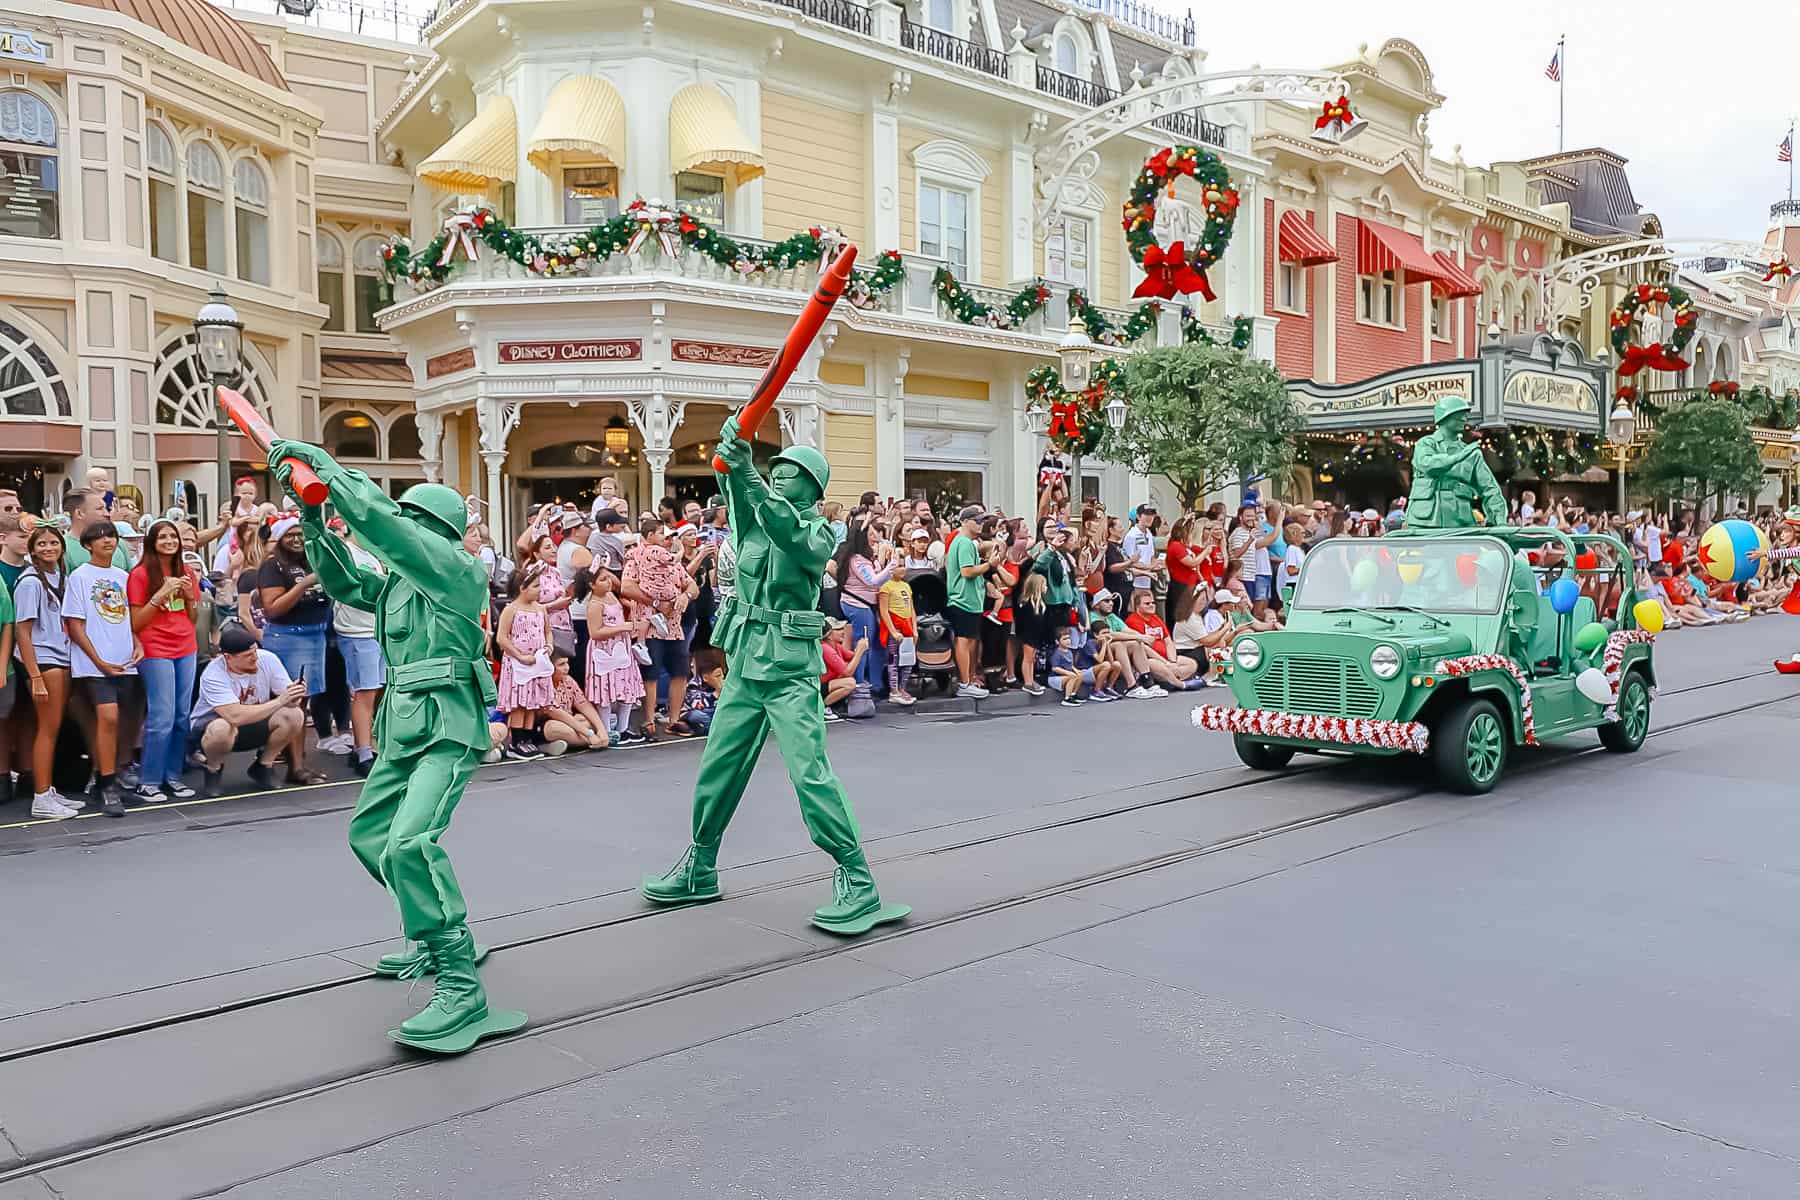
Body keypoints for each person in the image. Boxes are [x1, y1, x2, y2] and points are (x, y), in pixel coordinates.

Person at [270, 435, 521, 1054]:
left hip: (448, 726)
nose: (401, 526)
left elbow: (384, 531)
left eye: (412, 520)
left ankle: (461, 986)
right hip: (404, 725)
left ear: (431, 531)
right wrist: (313, 520)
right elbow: (347, 579)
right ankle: (432, 933)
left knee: (410, 843)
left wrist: (329, 469)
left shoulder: (458, 571)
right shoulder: (402, 585)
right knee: (369, 837)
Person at [641, 421, 907, 935]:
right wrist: (732, 456)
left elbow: (782, 525)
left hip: (788, 669)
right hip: (745, 662)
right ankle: (699, 864)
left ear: (814, 488)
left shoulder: (817, 531)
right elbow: (742, 495)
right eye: (777, 471)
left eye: (793, 475)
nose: (781, 478)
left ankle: (856, 876)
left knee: (809, 774)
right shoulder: (756, 520)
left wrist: (747, 473)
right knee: (717, 769)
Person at [63, 521, 139, 817]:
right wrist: (97, 660)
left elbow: (130, 617)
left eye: (111, 536)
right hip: (94, 662)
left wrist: (137, 642)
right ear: (87, 545)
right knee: (107, 717)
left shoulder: (123, 575)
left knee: (124, 723)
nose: (107, 541)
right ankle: (106, 784)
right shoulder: (79, 577)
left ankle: (111, 777)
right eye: (99, 537)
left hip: (125, 659)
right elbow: (75, 624)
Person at [127, 518, 200, 802]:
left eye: (173, 537)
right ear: (151, 543)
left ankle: (172, 776)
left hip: (186, 646)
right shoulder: (141, 575)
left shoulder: (187, 572)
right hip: (155, 648)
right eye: (162, 538)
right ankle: (149, 780)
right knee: (162, 716)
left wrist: (189, 597)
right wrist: (161, 594)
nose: (169, 542)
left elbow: (192, 618)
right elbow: (135, 622)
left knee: (182, 716)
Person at [189, 625, 309, 796]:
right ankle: (213, 769)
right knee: (221, 728)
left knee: (294, 715)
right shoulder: (213, 674)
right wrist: (281, 700)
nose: (255, 659)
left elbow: (290, 703)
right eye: (248, 656)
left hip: (255, 722)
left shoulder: (267, 659)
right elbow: (234, 716)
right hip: (216, 729)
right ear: (228, 658)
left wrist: (295, 694)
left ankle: (263, 765)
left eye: (255, 652)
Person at [257, 517, 332, 781]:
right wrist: (303, 584)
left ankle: (298, 763)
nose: (297, 539)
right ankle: (294, 767)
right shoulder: (273, 565)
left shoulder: (309, 560)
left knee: (304, 701)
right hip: (289, 637)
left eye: (301, 534)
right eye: (290, 535)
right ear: (279, 537)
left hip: (315, 635)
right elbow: (273, 608)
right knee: (293, 701)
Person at [14, 525, 79, 818]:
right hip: (43, 659)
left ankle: (48, 789)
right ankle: (41, 797)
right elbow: (22, 632)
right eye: (42, 544)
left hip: (61, 656)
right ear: (33, 549)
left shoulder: (60, 577)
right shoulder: (30, 582)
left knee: (54, 727)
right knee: (48, 729)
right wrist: (35, 676)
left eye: (54, 542)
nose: (48, 548)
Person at [623, 520, 697, 738]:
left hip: (674, 626)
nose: (668, 539)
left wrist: (685, 596)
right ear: (649, 535)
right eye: (662, 534)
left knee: (680, 671)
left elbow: (691, 584)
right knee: (651, 672)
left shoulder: (671, 561)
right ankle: (648, 721)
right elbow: (627, 586)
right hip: (650, 623)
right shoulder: (636, 556)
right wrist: (655, 602)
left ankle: (674, 720)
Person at [330, 522, 386, 776]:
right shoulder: (346, 552)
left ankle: (367, 745)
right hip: (356, 632)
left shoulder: (374, 554)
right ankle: (364, 752)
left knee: (378, 689)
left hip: (377, 630)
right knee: (364, 691)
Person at [1406, 395, 1507, 529]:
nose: (1464, 419)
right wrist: (1458, 457)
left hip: (1460, 521)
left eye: (1465, 415)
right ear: (1444, 417)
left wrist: (1499, 521)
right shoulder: (1425, 444)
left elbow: (1490, 489)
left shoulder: (1471, 453)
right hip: (1424, 520)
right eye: (1459, 414)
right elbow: (1428, 465)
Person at [497, 561, 556, 758]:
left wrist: (548, 646)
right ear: (522, 588)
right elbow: (502, 638)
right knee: (519, 702)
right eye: (536, 586)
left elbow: (548, 632)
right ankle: (516, 741)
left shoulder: (541, 609)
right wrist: (520, 655)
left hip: (537, 663)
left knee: (532, 701)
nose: (540, 590)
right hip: (518, 664)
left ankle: (528, 738)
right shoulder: (511, 609)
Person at [583, 568, 646, 744]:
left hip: (621, 646)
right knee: (604, 690)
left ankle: (623, 728)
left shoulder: (611, 597)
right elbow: (595, 632)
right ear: (591, 584)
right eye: (603, 580)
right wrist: (623, 627)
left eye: (609, 578)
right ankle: (607, 729)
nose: (609, 582)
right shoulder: (595, 604)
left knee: (625, 687)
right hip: (604, 649)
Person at [834, 520, 894, 702]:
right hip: (858, 606)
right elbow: (873, 581)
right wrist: (891, 566)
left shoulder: (866, 558)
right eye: (870, 533)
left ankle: (876, 683)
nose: (874, 537)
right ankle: (859, 683)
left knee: (877, 645)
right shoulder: (857, 560)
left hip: (867, 605)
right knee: (863, 645)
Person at [946, 504, 993, 699]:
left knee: (969, 641)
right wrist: (989, 565)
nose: (981, 524)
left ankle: (968, 680)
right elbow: (967, 572)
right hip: (963, 599)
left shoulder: (965, 542)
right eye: (977, 520)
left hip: (969, 600)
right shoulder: (964, 542)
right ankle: (964, 683)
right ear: (965, 522)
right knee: (963, 641)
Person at [541, 650, 607, 752]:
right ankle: (591, 742)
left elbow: (583, 704)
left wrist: (601, 729)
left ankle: (574, 742)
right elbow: (555, 712)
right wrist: (589, 734)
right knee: (553, 727)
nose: (567, 668)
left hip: (570, 723)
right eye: (561, 664)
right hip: (547, 726)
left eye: (567, 663)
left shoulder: (568, 680)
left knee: (582, 718)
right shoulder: (543, 684)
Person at [877, 563, 917, 706]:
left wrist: (915, 628)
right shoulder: (886, 587)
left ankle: (902, 688)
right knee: (893, 660)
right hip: (895, 626)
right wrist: (893, 631)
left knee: (908, 660)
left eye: (903, 565)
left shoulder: (906, 586)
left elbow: (911, 608)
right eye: (899, 565)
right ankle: (894, 691)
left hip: (907, 627)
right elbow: (884, 610)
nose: (902, 569)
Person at [819, 616, 864, 714]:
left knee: (849, 677)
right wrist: (860, 650)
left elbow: (852, 657)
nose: (843, 631)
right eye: (839, 629)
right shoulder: (825, 649)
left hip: (830, 684)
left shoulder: (836, 646)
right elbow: (848, 672)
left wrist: (860, 648)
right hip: (819, 686)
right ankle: (822, 707)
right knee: (850, 683)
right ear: (829, 634)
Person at [1121, 503, 1161, 594]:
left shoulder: (1149, 534)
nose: (1149, 517)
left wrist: (1157, 563)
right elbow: (1128, 561)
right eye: (1146, 514)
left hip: (1147, 581)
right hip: (1134, 582)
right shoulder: (1131, 535)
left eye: (1151, 514)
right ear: (1138, 517)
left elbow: (1151, 556)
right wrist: (1149, 567)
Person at [683, 648, 725, 734]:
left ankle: (716, 727)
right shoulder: (693, 685)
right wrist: (716, 693)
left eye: (722, 676)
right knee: (697, 716)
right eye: (717, 676)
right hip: (699, 712)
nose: (721, 679)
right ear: (705, 678)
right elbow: (697, 705)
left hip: (716, 712)